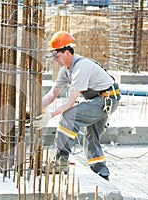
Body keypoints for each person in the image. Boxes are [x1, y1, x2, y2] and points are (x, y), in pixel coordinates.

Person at [33, 31, 121, 181]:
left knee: (69, 116)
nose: (55, 59)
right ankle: (102, 172)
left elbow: (70, 102)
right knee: (91, 136)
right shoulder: (66, 71)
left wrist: (50, 115)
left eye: (57, 55)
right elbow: (52, 94)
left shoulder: (81, 67)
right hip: (99, 100)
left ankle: (61, 162)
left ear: (67, 52)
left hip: (107, 100)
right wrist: (33, 109)